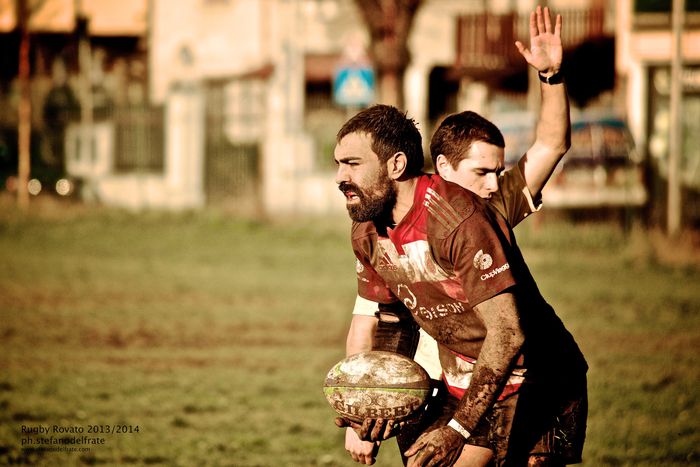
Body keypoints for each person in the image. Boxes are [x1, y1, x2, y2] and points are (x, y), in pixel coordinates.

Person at [338, 6, 582, 466]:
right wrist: (365, 404)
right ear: (443, 168)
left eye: (498, 172)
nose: (493, 182)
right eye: (481, 170)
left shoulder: (486, 209)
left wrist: (551, 78)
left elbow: (552, 144)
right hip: (451, 376)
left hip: (524, 376)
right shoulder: (383, 221)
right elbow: (375, 321)